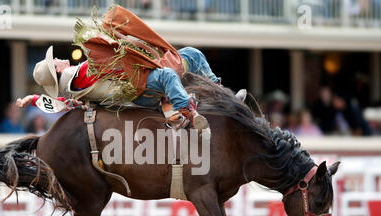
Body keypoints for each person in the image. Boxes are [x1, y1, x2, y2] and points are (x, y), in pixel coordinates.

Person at [16, 5, 246, 130]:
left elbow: (62, 103)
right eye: (54, 61)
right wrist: (118, 41)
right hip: (140, 90)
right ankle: (185, 110)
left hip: (138, 82)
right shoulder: (78, 75)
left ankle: (219, 95)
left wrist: (33, 98)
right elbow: (103, 66)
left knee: (190, 55)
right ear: (57, 70)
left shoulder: (72, 85)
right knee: (168, 73)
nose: (58, 59)